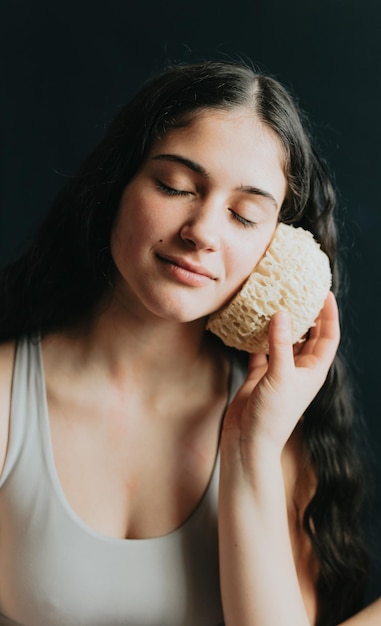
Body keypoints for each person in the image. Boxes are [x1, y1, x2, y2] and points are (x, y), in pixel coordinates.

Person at [0, 59, 372, 626]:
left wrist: (251, 451)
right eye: (175, 185)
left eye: (245, 216)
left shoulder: (281, 434)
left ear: (281, 248)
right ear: (116, 185)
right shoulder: (8, 397)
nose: (201, 231)